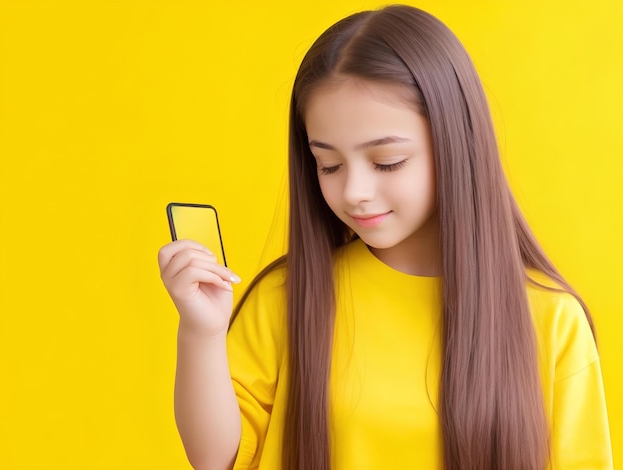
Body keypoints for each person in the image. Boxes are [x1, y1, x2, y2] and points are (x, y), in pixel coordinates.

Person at [157, 5, 612, 470]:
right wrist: (202, 333)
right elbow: (217, 460)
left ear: (454, 143)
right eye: (328, 165)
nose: (354, 192)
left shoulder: (551, 320)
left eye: (387, 161)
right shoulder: (288, 297)